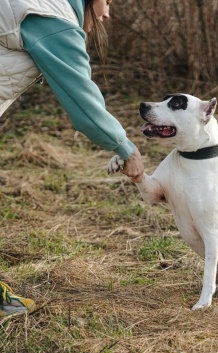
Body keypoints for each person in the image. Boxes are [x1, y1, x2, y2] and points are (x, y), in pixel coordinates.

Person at [0, 0, 144, 317]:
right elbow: (84, 104)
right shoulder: (53, 18)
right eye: (107, 1)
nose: (107, 13)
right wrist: (126, 148)